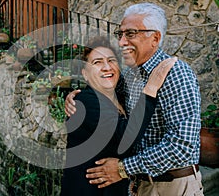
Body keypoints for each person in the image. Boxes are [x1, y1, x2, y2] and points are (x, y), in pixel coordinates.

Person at [65, 3, 203, 196]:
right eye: (120, 34)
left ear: (155, 38)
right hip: (138, 185)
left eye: (130, 34)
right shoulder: (130, 75)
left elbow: (182, 147)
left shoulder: (175, 73)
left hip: (171, 185)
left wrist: (123, 168)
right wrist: (75, 96)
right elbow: (103, 89)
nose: (121, 42)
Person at [61, 36, 176, 196]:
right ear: (85, 74)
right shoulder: (85, 102)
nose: (107, 67)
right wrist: (151, 88)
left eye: (111, 60)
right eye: (97, 62)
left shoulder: (121, 98)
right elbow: (126, 136)